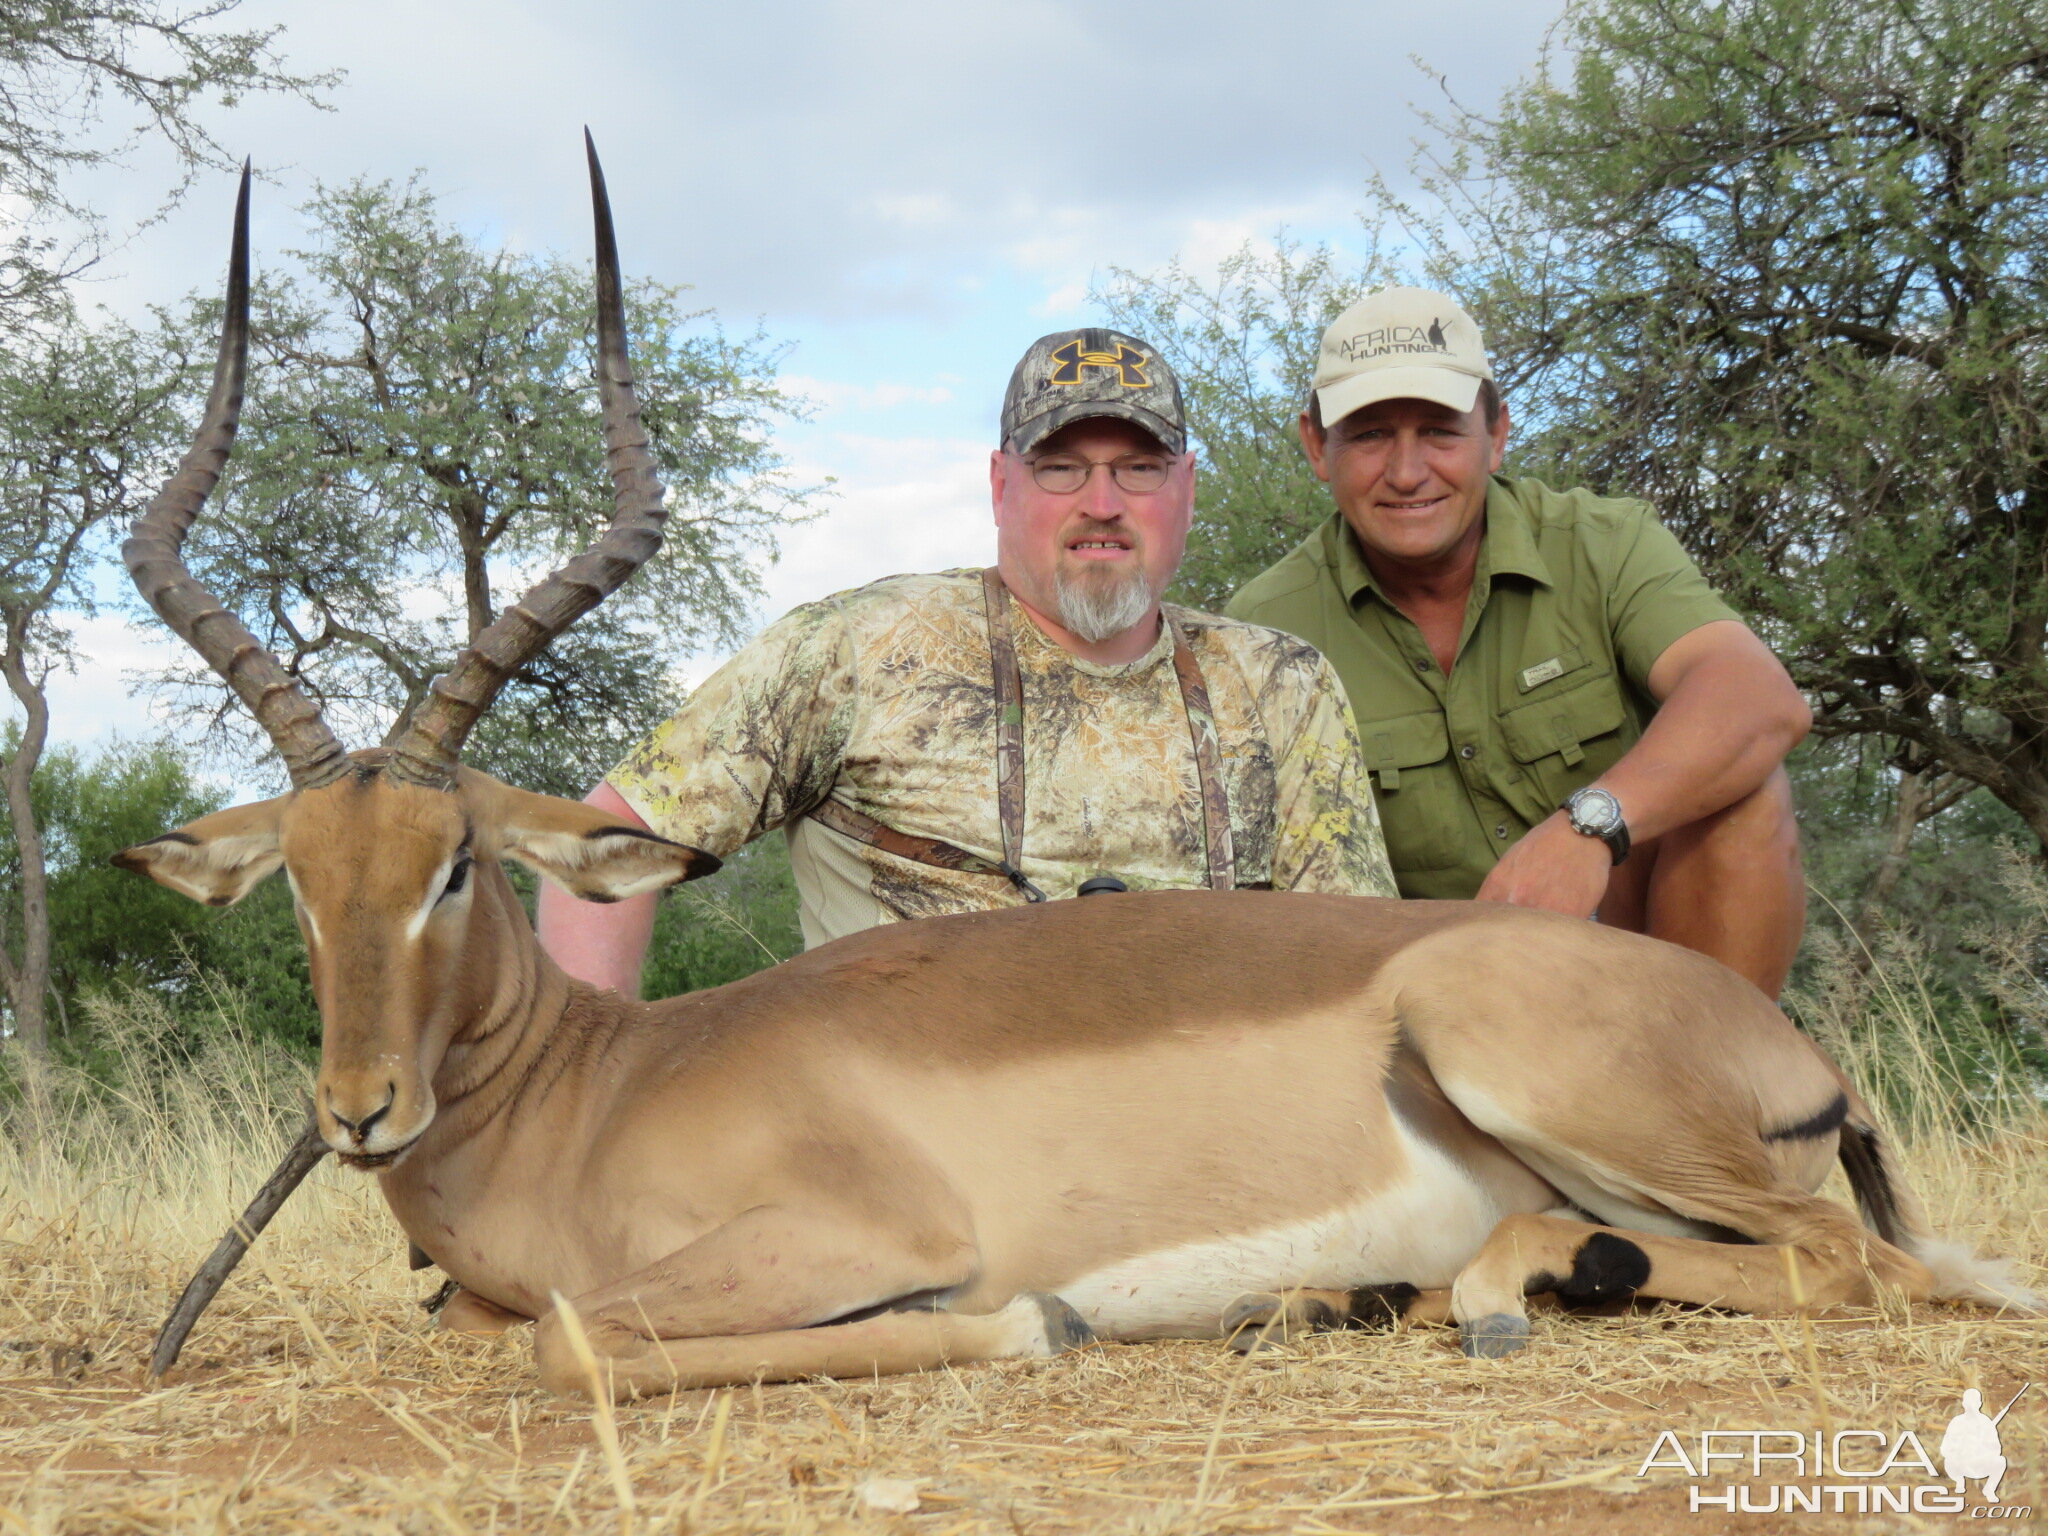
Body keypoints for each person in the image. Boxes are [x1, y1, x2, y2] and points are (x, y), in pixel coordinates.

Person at [540, 328, 1396, 994]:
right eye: (1060, 467)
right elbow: (611, 838)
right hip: (906, 1162)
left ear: (1188, 488)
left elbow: (1361, 965)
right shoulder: (856, 649)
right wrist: (591, 1087)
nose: (1102, 505)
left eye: (1139, 467)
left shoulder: (1283, 683)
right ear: (1000, 484)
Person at [1227, 287, 1810, 998]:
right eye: (1371, 434)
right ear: (1318, 447)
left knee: (1748, 792)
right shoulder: (1265, 627)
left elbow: (1758, 698)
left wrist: (1588, 829)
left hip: (1643, 964)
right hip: (1438, 1008)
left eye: (1440, 431)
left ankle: (1726, 1088)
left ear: (1497, 435)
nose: (1408, 474)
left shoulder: (1602, 544)